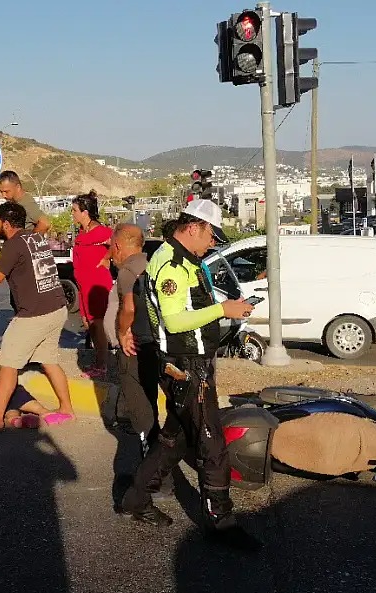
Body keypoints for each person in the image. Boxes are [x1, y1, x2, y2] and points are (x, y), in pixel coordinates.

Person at [118, 199, 261, 552]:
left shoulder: (185, 259)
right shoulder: (172, 264)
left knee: (174, 438)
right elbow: (175, 320)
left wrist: (226, 312)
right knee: (212, 445)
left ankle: (136, 499)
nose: (212, 242)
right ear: (194, 227)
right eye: (211, 234)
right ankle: (221, 522)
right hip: (186, 367)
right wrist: (224, 309)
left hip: (191, 364)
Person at [0, 201, 74, 430]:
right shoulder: (36, 238)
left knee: (8, 363)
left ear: (6, 224)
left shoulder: (12, 245)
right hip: (56, 308)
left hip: (33, 314)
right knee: (49, 361)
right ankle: (66, 408)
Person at [103, 225, 165, 480]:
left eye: (111, 246)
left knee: (143, 417)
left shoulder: (129, 272)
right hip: (146, 348)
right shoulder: (147, 265)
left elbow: (129, 309)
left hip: (134, 352)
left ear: (118, 245)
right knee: (148, 409)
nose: (110, 252)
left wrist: (121, 332)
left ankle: (154, 480)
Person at [70, 191, 114, 377]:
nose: (72, 214)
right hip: (83, 286)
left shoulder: (102, 232)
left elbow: (118, 242)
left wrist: (107, 257)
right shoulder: (83, 232)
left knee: (97, 324)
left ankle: (101, 364)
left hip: (96, 285)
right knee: (89, 324)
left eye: (74, 210)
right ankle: (100, 360)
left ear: (85, 212)